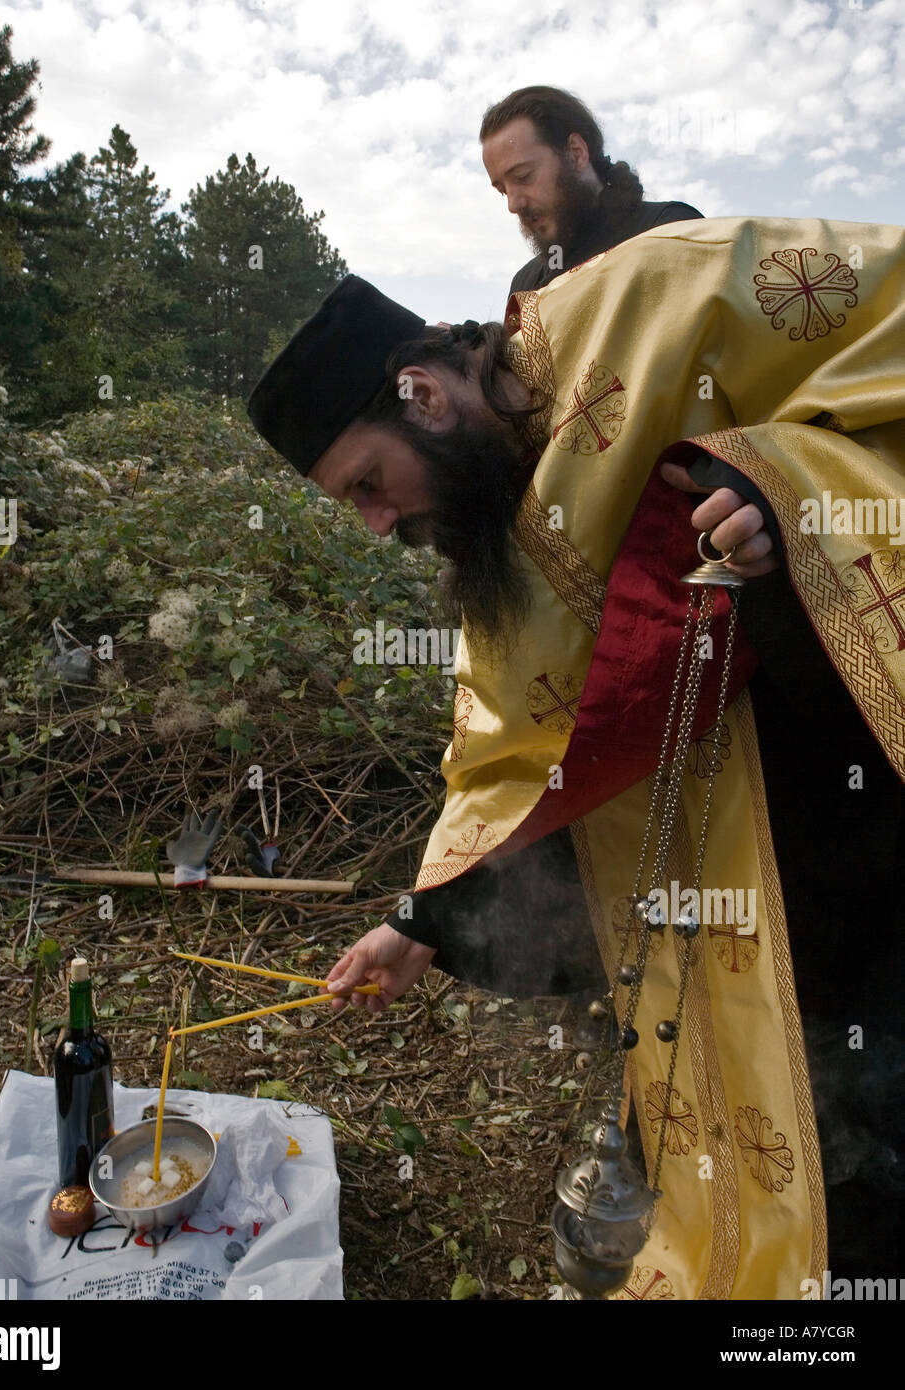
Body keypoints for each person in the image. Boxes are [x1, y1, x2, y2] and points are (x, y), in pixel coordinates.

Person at [246, 217, 905, 1299]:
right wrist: (421, 920)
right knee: (799, 1127)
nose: (373, 523)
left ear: (421, 392)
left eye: (366, 482)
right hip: (713, 875)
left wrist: (786, 495)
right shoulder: (493, 521)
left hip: (849, 800)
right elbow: (516, 742)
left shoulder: (656, 296)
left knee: (875, 1125)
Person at [480, 85, 703, 294]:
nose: (513, 204)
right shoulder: (527, 284)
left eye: (523, 176)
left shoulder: (672, 233)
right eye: (502, 190)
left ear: (576, 153)